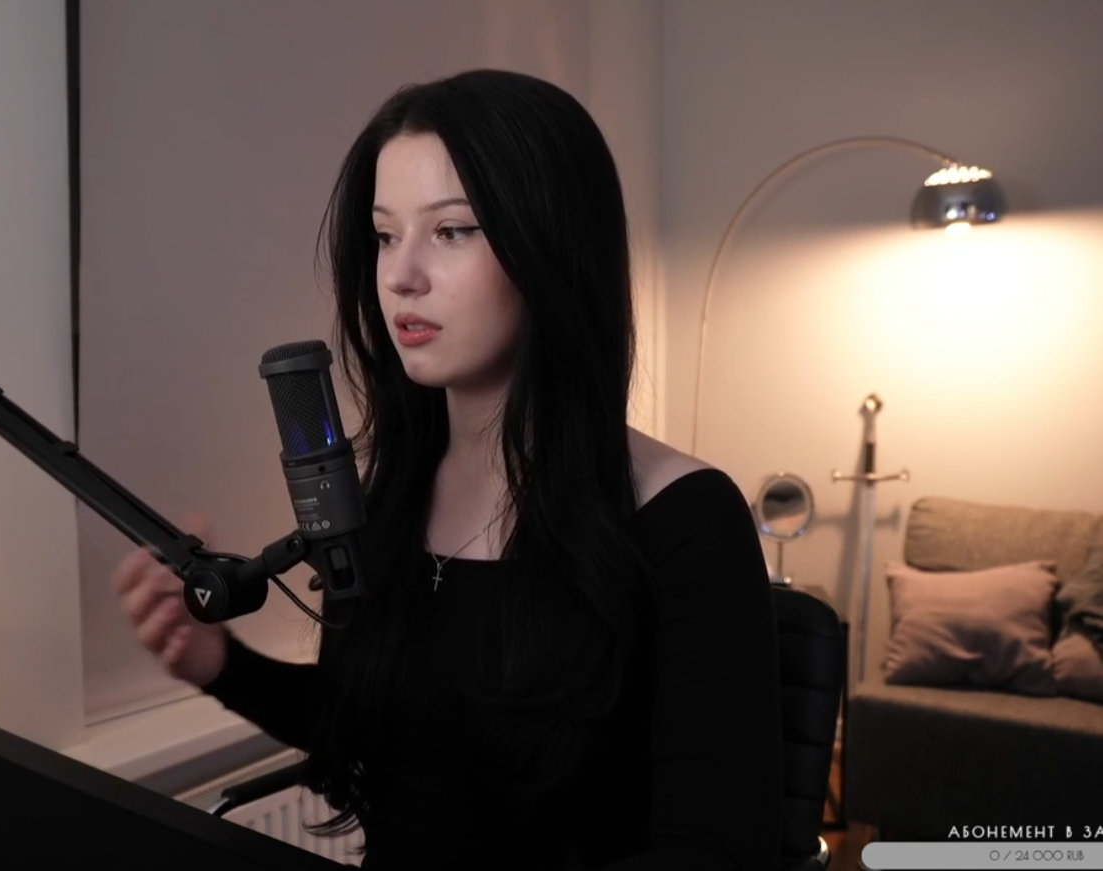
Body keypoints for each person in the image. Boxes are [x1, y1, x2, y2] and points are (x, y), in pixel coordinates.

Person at [112, 68, 783, 870]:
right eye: (385, 235)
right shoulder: (388, 499)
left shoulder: (687, 521)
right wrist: (221, 665)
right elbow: (394, 729)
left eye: (452, 231)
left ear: (552, 246)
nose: (401, 275)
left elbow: (715, 851)